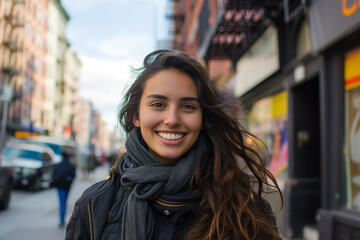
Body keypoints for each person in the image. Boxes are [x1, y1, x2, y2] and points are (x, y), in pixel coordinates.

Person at [65, 49, 283, 240]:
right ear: (136, 116)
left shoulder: (243, 204)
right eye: (158, 104)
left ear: (202, 119)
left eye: (188, 107)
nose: (172, 119)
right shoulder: (95, 204)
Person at [52, 147, 76, 228]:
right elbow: (73, 176)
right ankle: (62, 220)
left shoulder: (58, 165)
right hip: (66, 186)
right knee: (64, 202)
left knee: (62, 203)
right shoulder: (70, 166)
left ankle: (62, 220)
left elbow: (54, 175)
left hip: (60, 187)